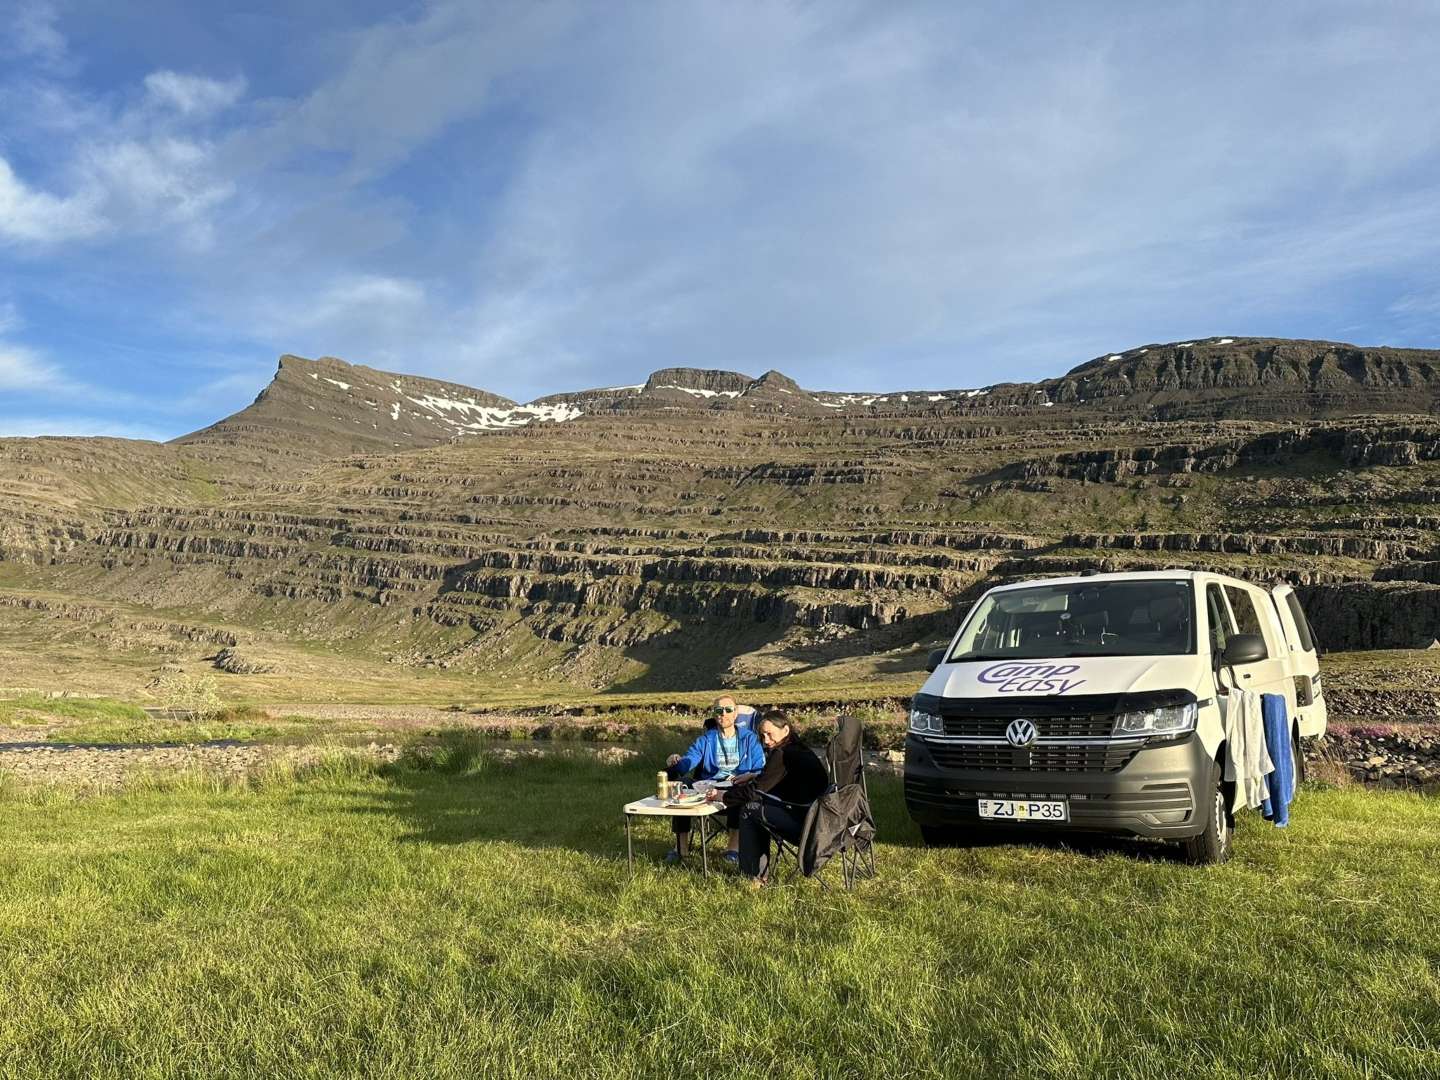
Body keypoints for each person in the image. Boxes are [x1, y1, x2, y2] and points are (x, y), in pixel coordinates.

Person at [713, 709, 828, 887]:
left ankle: (755, 877)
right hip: (822, 821)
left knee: (749, 809)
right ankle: (756, 870)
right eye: (762, 735)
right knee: (756, 804)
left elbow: (755, 791)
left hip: (805, 825)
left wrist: (723, 795)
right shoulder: (797, 748)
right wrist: (755, 775)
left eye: (770, 734)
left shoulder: (782, 753)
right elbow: (780, 778)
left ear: (786, 730)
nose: (766, 740)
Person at [663, 701, 766, 864]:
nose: (723, 713)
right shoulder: (706, 739)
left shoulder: (750, 739)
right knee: (680, 785)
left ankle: (733, 848)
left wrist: (750, 775)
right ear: (714, 714)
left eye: (728, 709)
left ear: (735, 713)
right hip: (708, 787)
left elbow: (761, 768)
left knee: (741, 789)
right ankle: (681, 848)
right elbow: (690, 759)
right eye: (719, 710)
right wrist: (675, 764)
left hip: (737, 786)